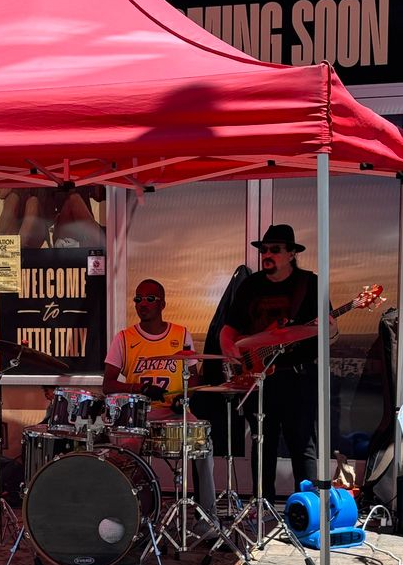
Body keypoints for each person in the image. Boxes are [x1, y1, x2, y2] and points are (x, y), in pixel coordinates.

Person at [219, 224, 336, 503]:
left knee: (302, 445)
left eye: (275, 250)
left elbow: (331, 331)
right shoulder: (251, 286)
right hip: (260, 378)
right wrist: (232, 354)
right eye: (264, 250)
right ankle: (262, 507)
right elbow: (228, 329)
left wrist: (328, 328)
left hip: (298, 377)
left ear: (292, 253)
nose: (267, 254)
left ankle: (308, 510)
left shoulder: (310, 284)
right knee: (262, 444)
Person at [103, 277, 217, 528]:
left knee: (203, 443)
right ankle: (132, 516)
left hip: (175, 413)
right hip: (139, 416)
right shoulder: (124, 337)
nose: (142, 304)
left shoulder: (180, 334)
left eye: (149, 299)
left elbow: (194, 378)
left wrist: (184, 399)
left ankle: (207, 518)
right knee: (125, 452)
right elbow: (108, 384)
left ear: (162, 303)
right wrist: (139, 388)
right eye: (138, 299)